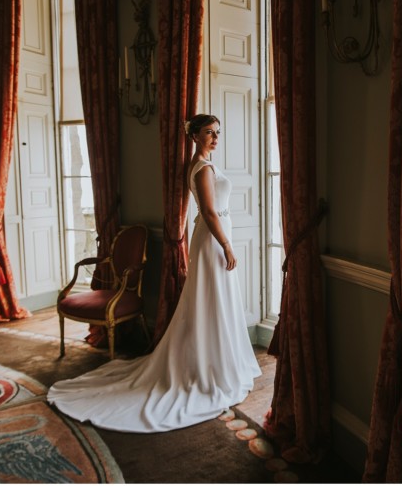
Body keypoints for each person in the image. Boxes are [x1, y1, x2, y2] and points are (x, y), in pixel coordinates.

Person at [47, 114, 261, 433]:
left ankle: (220, 363)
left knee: (216, 301)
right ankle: (207, 369)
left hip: (212, 236)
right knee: (210, 301)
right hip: (214, 239)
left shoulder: (201, 165)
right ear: (194, 137)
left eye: (218, 132)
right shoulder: (202, 168)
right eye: (209, 133)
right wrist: (228, 245)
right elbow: (210, 211)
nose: (216, 138)